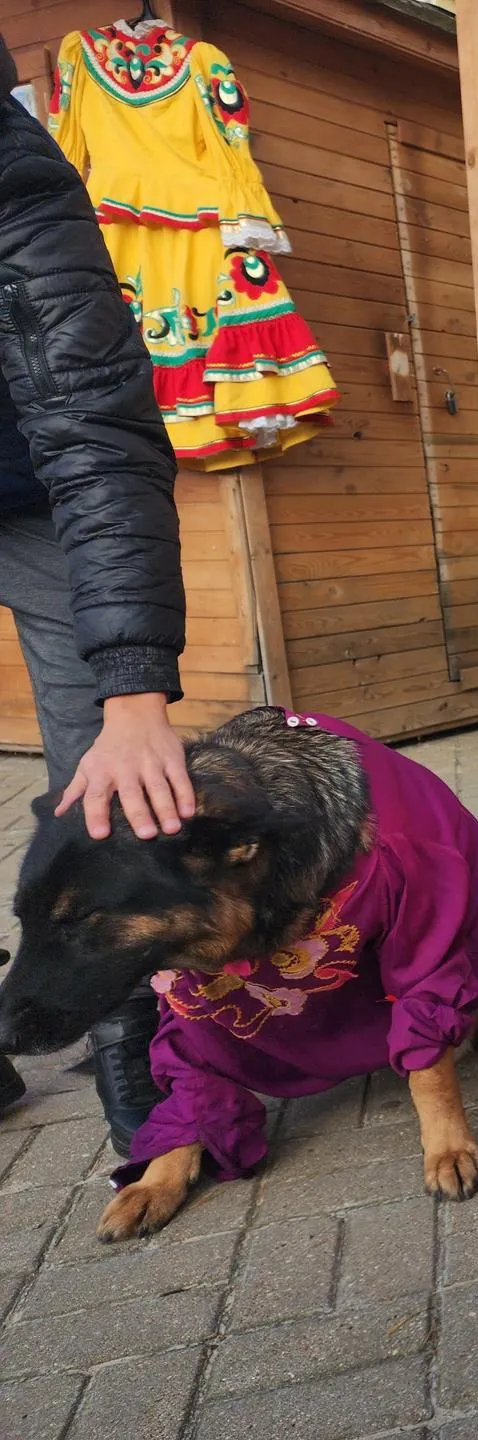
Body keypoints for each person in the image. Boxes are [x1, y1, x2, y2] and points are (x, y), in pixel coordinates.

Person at [0, 35, 194, 1143]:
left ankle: (132, 1046)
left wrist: (132, 691)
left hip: (38, 487)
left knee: (101, 781)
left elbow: (94, 430)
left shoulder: (14, 172)